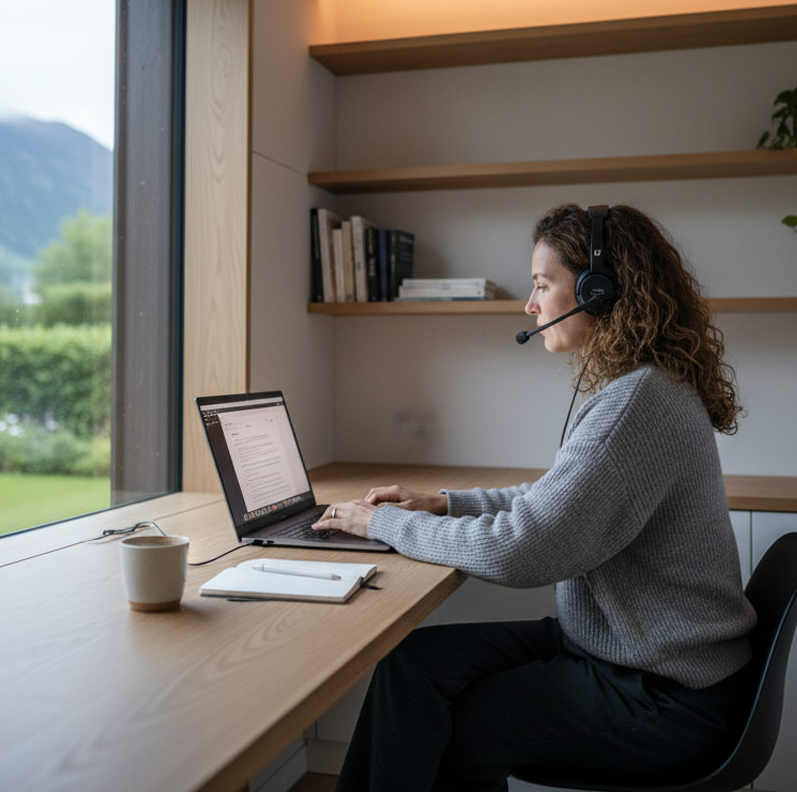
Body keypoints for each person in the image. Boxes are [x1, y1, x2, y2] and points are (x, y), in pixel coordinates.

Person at [312, 203, 757, 792]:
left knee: (458, 724)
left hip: (667, 693)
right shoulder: (640, 388)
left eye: (543, 284)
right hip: (619, 651)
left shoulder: (636, 405)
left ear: (599, 289)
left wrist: (381, 526)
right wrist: (444, 504)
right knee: (413, 664)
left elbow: (525, 550)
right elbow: (552, 502)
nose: (531, 305)